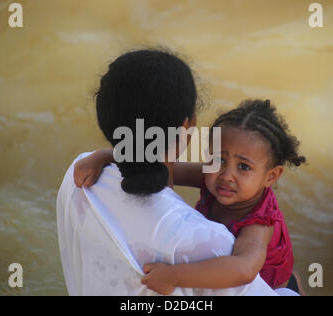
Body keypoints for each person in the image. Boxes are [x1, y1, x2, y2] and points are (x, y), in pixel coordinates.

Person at [57, 48, 295, 295]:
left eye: (244, 167)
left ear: (272, 176)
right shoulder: (207, 237)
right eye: (217, 158)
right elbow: (172, 168)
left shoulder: (259, 224)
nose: (226, 175)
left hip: (268, 282)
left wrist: (173, 276)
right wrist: (104, 155)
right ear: (187, 127)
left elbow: (245, 270)